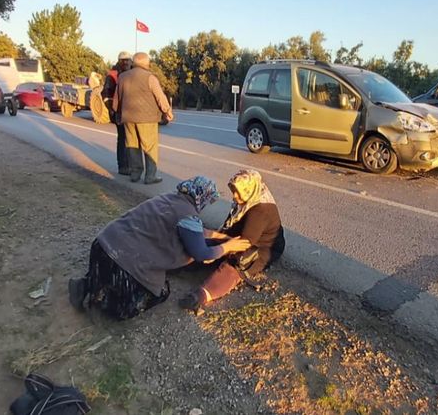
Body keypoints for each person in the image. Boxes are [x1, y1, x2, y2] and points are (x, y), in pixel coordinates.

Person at [68, 176, 251, 319]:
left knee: (105, 272)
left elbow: (194, 230)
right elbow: (201, 253)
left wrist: (219, 236)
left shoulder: (168, 199)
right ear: (203, 197)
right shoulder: (188, 216)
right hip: (122, 263)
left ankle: (86, 284)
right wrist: (228, 246)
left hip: (101, 246)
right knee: (157, 293)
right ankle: (100, 300)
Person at [179, 170, 285, 314]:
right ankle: (178, 264)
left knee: (236, 263)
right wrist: (216, 245)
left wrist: (219, 252)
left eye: (237, 192)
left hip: (262, 246)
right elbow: (229, 228)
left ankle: (202, 295)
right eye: (233, 191)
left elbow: (245, 243)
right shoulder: (246, 200)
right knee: (205, 244)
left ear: (249, 189)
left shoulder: (260, 210)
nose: (234, 196)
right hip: (240, 237)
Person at [113, 52, 174, 185]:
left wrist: (117, 113)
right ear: (146, 63)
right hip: (147, 118)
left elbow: (116, 99)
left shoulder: (122, 77)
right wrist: (167, 111)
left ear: (133, 62)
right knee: (149, 147)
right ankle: (150, 176)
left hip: (128, 118)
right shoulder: (150, 77)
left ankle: (135, 174)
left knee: (132, 146)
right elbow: (160, 96)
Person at [103, 52, 133, 175]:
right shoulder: (113, 75)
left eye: (128, 60)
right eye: (124, 60)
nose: (126, 63)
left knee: (129, 139)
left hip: (130, 111)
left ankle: (130, 165)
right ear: (119, 61)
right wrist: (112, 109)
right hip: (119, 112)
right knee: (122, 139)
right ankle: (123, 166)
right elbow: (106, 94)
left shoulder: (129, 73)